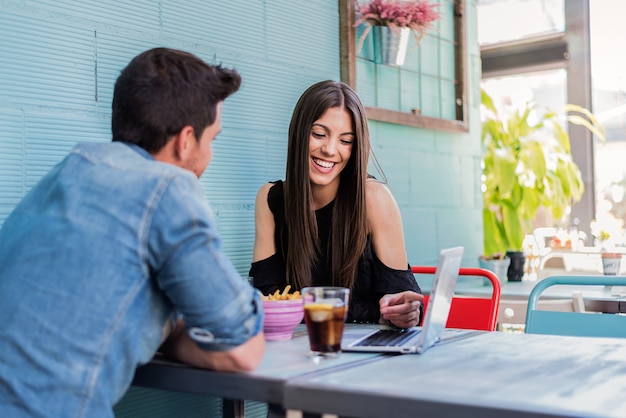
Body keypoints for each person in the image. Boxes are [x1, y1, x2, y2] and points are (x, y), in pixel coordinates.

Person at [0, 48, 265, 418]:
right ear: (185, 140)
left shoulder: (71, 168)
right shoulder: (168, 187)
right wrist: (176, 329)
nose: (210, 154)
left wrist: (167, 329)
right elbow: (242, 342)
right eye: (213, 139)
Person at [250, 80, 423, 329]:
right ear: (299, 133)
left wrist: (404, 310)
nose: (330, 149)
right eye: (319, 134)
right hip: (300, 348)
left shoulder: (373, 197)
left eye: (346, 140)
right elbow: (270, 299)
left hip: (369, 352)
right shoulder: (270, 199)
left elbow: (403, 298)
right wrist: (372, 312)